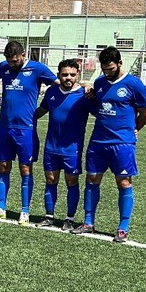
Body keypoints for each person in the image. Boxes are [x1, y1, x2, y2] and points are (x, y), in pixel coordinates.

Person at [72, 46, 146, 243]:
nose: (107, 72)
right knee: (92, 179)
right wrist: (88, 91)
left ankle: (123, 228)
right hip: (98, 141)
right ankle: (88, 222)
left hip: (122, 143)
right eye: (104, 69)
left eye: (111, 69)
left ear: (120, 63)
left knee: (123, 182)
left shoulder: (134, 84)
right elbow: (98, 108)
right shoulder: (100, 83)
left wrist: (135, 129)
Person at [0, 41, 58, 225]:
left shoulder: (37, 69)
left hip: (26, 129)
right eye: (9, 61)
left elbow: (60, 83)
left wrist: (84, 86)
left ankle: (25, 210)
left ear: (23, 55)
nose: (12, 64)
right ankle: (1, 207)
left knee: (25, 168)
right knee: (3, 166)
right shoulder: (4, 67)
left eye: (15, 61)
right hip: (4, 127)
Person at [33, 59, 89, 230]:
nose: (68, 78)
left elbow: (102, 113)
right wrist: (24, 117)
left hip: (72, 148)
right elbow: (41, 111)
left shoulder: (85, 95)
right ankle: (49, 216)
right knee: (51, 179)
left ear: (77, 75)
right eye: (64, 74)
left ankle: (69, 219)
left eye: (72, 74)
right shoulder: (51, 92)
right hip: (51, 146)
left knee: (71, 181)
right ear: (58, 75)